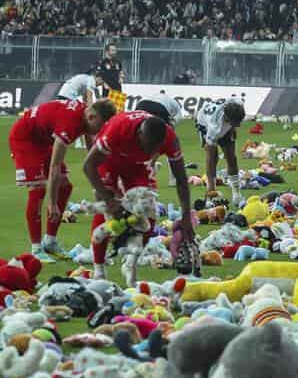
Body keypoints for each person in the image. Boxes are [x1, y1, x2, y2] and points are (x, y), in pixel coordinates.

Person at [83, 111, 193, 279]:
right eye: (147, 146)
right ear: (140, 134)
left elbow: (181, 180)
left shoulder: (170, 138)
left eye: (155, 149)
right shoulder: (117, 130)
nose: (150, 151)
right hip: (110, 160)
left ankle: (130, 263)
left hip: (137, 166)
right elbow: (88, 166)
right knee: (107, 210)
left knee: (149, 211)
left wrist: (186, 216)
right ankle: (99, 269)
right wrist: (108, 198)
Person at [8, 99, 117, 258]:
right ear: (92, 117)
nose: (100, 130)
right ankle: (36, 249)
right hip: (26, 140)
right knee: (38, 189)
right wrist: (52, 203)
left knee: (65, 186)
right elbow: (54, 168)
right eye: (100, 126)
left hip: (44, 140)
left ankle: (50, 241)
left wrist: (101, 177)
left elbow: (91, 149)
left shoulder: (86, 116)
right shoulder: (70, 123)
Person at [196, 99, 246, 205]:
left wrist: (232, 129)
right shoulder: (214, 127)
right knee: (213, 158)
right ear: (227, 118)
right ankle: (211, 192)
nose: (239, 125)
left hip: (221, 120)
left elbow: (234, 119)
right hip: (204, 123)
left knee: (231, 157)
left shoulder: (238, 105)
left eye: (239, 121)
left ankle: (236, 194)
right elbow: (210, 159)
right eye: (236, 122)